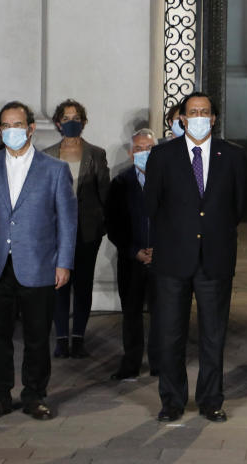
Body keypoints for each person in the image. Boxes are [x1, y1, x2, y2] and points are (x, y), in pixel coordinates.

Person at [0, 101, 77, 421]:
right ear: (1, 130)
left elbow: (67, 222)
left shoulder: (54, 170)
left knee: (38, 336)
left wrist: (64, 263)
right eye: (6, 126)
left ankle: (34, 395)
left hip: (39, 265)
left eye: (18, 125)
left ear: (30, 128)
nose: (12, 131)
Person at [144, 91, 247, 423]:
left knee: (213, 335)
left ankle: (210, 399)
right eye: (193, 112)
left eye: (205, 112)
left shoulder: (233, 156)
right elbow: (151, 206)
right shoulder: (161, 156)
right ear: (182, 119)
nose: (199, 117)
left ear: (214, 118)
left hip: (215, 259)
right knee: (170, 334)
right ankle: (172, 400)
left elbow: (239, 206)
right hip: (173, 260)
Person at [43, 99, 110, 358]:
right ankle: (61, 338)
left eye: (76, 117)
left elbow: (105, 193)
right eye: (66, 118)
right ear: (58, 123)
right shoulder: (47, 155)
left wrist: (102, 225)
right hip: (56, 232)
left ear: (83, 122)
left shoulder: (96, 153)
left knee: (83, 284)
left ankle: (79, 338)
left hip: (87, 231)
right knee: (59, 284)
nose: (71, 122)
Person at [105, 128, 159, 380]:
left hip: (163, 261)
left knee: (162, 313)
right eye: (138, 149)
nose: (144, 153)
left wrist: (160, 250)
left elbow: (177, 220)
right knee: (132, 314)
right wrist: (134, 251)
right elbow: (113, 224)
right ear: (130, 153)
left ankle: (160, 363)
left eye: (149, 149)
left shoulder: (168, 181)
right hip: (131, 261)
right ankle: (131, 363)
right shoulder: (120, 183)